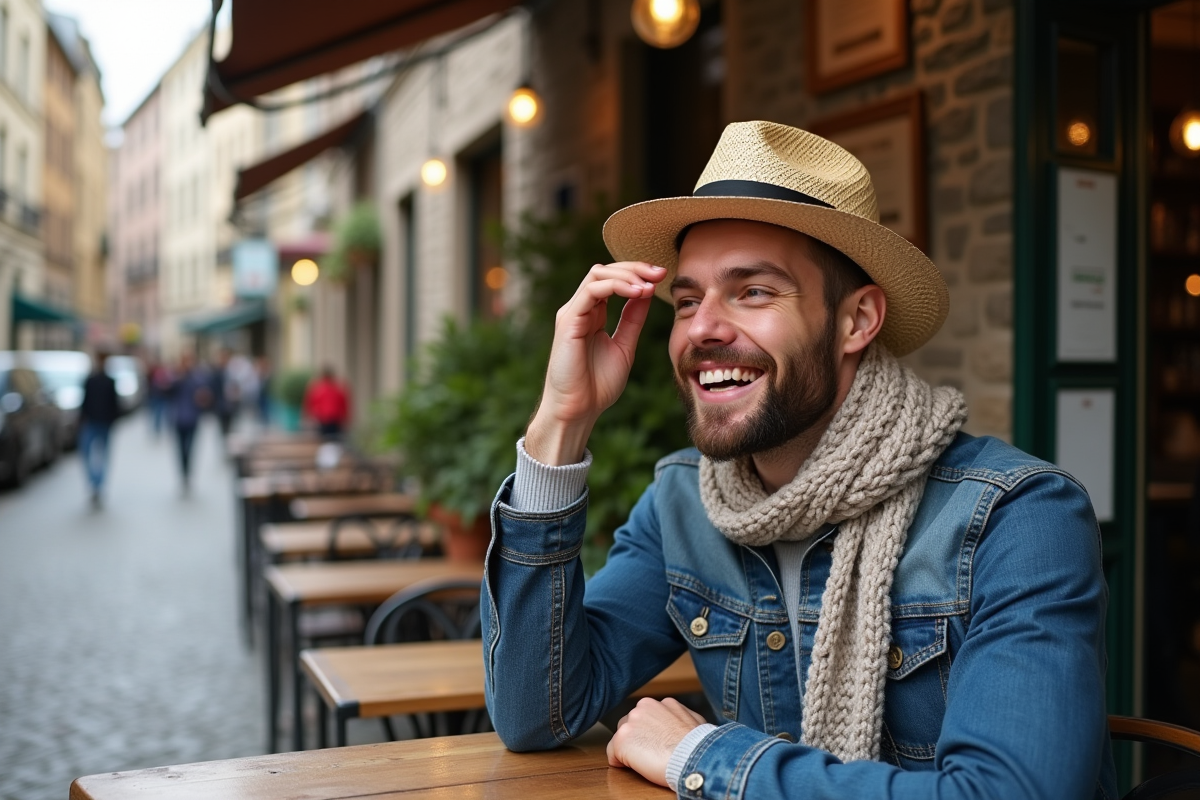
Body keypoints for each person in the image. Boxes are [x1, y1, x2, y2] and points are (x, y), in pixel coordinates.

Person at [483, 121, 1117, 799]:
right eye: (688, 300)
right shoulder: (683, 505)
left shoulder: (1018, 517)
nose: (703, 328)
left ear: (856, 321)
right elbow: (536, 712)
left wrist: (704, 755)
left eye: (753, 291)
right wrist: (562, 421)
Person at [77, 351, 121, 507]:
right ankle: (95, 482)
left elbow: (115, 404)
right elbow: (85, 402)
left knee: (101, 454)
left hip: (103, 423)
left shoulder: (107, 381)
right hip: (93, 422)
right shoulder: (91, 380)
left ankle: (98, 484)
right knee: (89, 453)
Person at [169, 352, 212, 493]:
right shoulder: (177, 377)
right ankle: (184, 474)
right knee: (181, 449)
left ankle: (188, 473)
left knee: (190, 449)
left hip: (193, 419)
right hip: (178, 419)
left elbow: (205, 396)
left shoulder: (198, 377)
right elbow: (167, 391)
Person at [303, 366, 350, 439]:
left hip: (322, 420)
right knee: (335, 440)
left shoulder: (317, 388)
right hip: (336, 420)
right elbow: (344, 404)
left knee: (323, 440)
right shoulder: (338, 387)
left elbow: (309, 404)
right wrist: (346, 419)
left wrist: (309, 417)